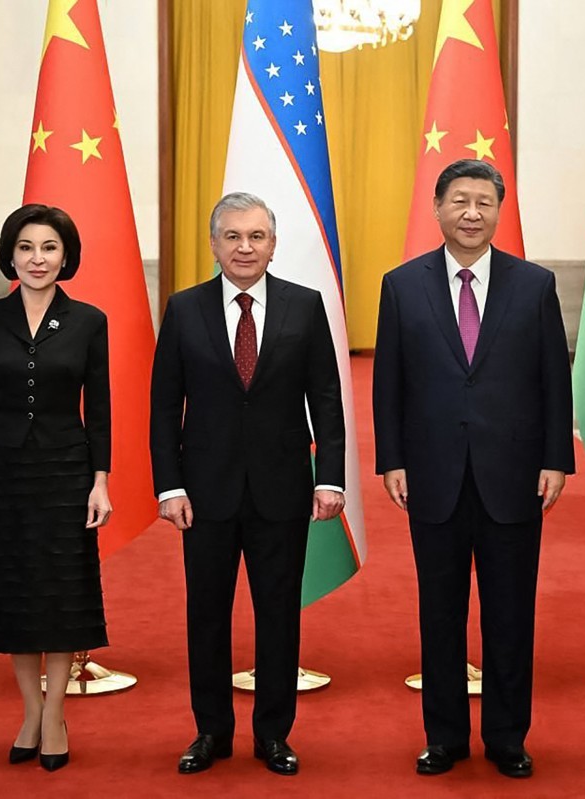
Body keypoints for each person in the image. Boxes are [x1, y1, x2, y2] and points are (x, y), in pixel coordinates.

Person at [373, 159, 574, 779]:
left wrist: (555, 461)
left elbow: (552, 381)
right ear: (437, 209)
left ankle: (508, 738)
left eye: (484, 202)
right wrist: (391, 459)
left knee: (510, 613)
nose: (471, 213)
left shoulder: (533, 285)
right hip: (432, 475)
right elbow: (389, 383)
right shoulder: (402, 285)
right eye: (459, 200)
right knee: (440, 614)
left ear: (498, 211)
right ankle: (445, 737)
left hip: (513, 475)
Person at [150, 192, 346, 777]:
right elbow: (164, 408)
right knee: (206, 615)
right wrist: (169, 487)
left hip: (282, 491)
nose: (244, 247)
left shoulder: (304, 307)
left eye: (255, 236)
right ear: (213, 244)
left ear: (273, 243)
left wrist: (330, 477)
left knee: (279, 616)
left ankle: (273, 735)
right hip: (203, 495)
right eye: (232, 236)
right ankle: (210, 731)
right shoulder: (184, 309)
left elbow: (328, 403)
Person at [0, 204, 112, 772]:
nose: (37, 258)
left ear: (65, 256)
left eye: (48, 248)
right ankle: (30, 711)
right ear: (10, 254)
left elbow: (99, 411)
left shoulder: (88, 321)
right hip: (2, 475)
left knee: (62, 595)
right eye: (26, 247)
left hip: (65, 474)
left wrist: (101, 482)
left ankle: (54, 715)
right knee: (15, 596)